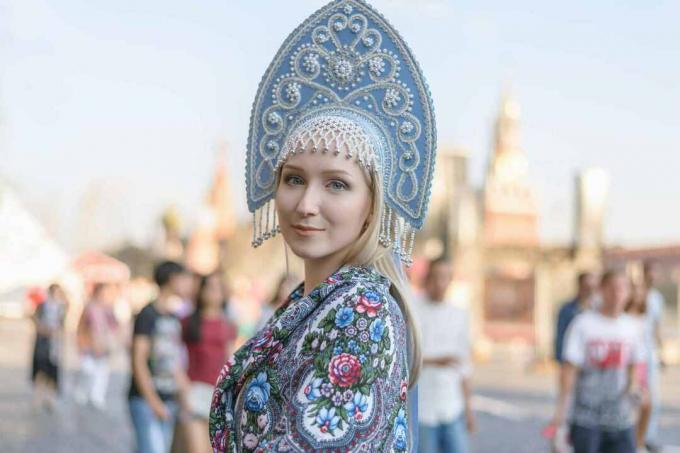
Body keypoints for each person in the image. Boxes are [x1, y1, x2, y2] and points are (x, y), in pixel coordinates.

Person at [209, 1, 437, 451]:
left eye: (336, 184)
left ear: (372, 207)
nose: (306, 204)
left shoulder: (362, 310)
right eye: (294, 179)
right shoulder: (311, 302)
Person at [548, 269, 646, 453]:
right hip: (587, 419)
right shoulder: (583, 324)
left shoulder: (632, 328)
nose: (618, 294)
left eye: (623, 289)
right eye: (613, 288)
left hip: (621, 420)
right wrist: (560, 414)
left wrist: (635, 389)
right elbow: (569, 370)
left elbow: (635, 365)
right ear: (601, 290)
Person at [128, 261, 190, 453]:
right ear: (172, 280)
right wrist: (154, 402)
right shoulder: (147, 315)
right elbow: (138, 361)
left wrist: (185, 396)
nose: (187, 284)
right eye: (183, 278)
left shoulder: (173, 318)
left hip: (169, 400)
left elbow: (174, 362)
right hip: (146, 401)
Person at [414, 257, 475, 453]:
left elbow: (464, 366)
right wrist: (436, 361)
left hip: (452, 406)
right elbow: (407, 357)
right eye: (437, 277)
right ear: (428, 278)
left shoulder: (460, 315)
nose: (441, 283)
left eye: (446, 277)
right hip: (422, 410)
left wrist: (468, 410)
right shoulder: (413, 310)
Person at [182, 273, 237, 453]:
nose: (214, 292)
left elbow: (231, 360)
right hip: (194, 391)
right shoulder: (187, 322)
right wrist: (184, 390)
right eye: (210, 287)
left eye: (218, 287)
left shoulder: (228, 325)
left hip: (218, 394)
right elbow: (175, 358)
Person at [75, 282, 119, 409]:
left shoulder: (109, 308)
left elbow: (115, 325)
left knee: (102, 372)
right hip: (89, 344)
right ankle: (82, 390)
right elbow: (81, 326)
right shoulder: (89, 307)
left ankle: (97, 396)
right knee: (88, 370)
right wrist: (80, 343)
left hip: (103, 345)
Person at [31, 283, 67, 411]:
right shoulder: (42, 306)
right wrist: (43, 329)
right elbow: (35, 319)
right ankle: (38, 398)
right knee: (40, 371)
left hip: (54, 345)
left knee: (53, 372)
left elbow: (62, 325)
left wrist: (56, 333)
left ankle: (50, 398)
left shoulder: (61, 307)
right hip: (42, 343)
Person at [624, 282, 652, 449]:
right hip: (626, 365)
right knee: (633, 407)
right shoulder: (622, 317)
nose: (638, 296)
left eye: (641, 293)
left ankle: (638, 444)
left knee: (646, 405)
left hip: (641, 365)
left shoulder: (643, 317)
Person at [642, 260, 664, 452]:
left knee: (653, 397)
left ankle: (649, 435)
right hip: (635, 352)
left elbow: (657, 326)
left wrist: (661, 351)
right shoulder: (637, 294)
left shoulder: (657, 298)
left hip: (650, 352)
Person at [554, 272, 598, 364]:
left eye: (592, 287)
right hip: (573, 360)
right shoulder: (567, 310)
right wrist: (561, 360)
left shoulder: (598, 309)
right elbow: (561, 335)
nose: (589, 290)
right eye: (586, 286)